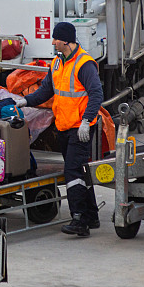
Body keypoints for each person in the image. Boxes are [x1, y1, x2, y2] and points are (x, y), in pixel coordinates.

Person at [15, 22, 103, 237]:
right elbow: (46, 91)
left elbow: (96, 94)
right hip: (63, 127)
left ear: (66, 40)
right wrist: (25, 102)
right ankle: (91, 216)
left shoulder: (84, 64)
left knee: (73, 172)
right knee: (81, 171)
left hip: (79, 129)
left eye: (55, 39)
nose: (53, 42)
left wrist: (86, 121)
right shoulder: (57, 63)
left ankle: (79, 220)